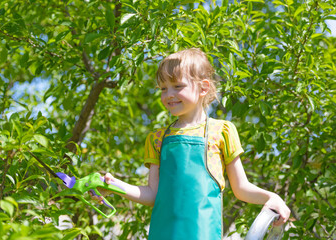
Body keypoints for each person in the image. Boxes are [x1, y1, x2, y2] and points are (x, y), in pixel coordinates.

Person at [93, 48, 290, 240]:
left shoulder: (221, 132)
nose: (168, 94)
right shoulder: (157, 139)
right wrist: (113, 186)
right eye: (163, 88)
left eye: (177, 86)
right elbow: (153, 194)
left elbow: (241, 188)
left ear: (203, 87)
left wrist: (271, 197)